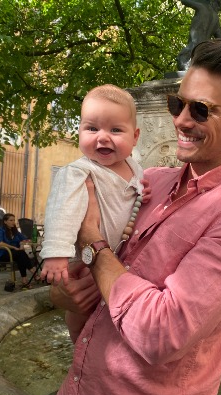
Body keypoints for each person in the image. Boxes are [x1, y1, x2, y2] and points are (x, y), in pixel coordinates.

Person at [51, 39, 221, 395]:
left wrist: (92, 241)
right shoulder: (147, 182)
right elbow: (81, 281)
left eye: (201, 110)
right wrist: (65, 293)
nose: (181, 120)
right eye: (177, 104)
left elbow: (161, 334)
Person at [40, 84, 144, 285]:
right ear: (79, 131)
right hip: (86, 262)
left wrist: (144, 192)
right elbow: (62, 212)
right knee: (84, 298)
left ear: (135, 137)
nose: (102, 137)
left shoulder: (136, 169)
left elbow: (138, 198)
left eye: (115, 130)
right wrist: (56, 253)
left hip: (122, 260)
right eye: (92, 128)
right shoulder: (78, 172)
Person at [0, 213, 39, 287]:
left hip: (15, 253)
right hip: (4, 253)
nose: (13, 222)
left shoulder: (14, 231)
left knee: (21, 256)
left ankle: (24, 279)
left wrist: (22, 244)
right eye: (11, 220)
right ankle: (33, 273)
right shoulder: (0, 230)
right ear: (5, 221)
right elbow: (0, 243)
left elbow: (25, 239)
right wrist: (14, 247)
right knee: (21, 254)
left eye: (14, 220)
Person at [177, 0, 221, 71]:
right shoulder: (216, 19)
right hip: (203, 52)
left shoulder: (202, 7)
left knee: (183, 64)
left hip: (192, 49)